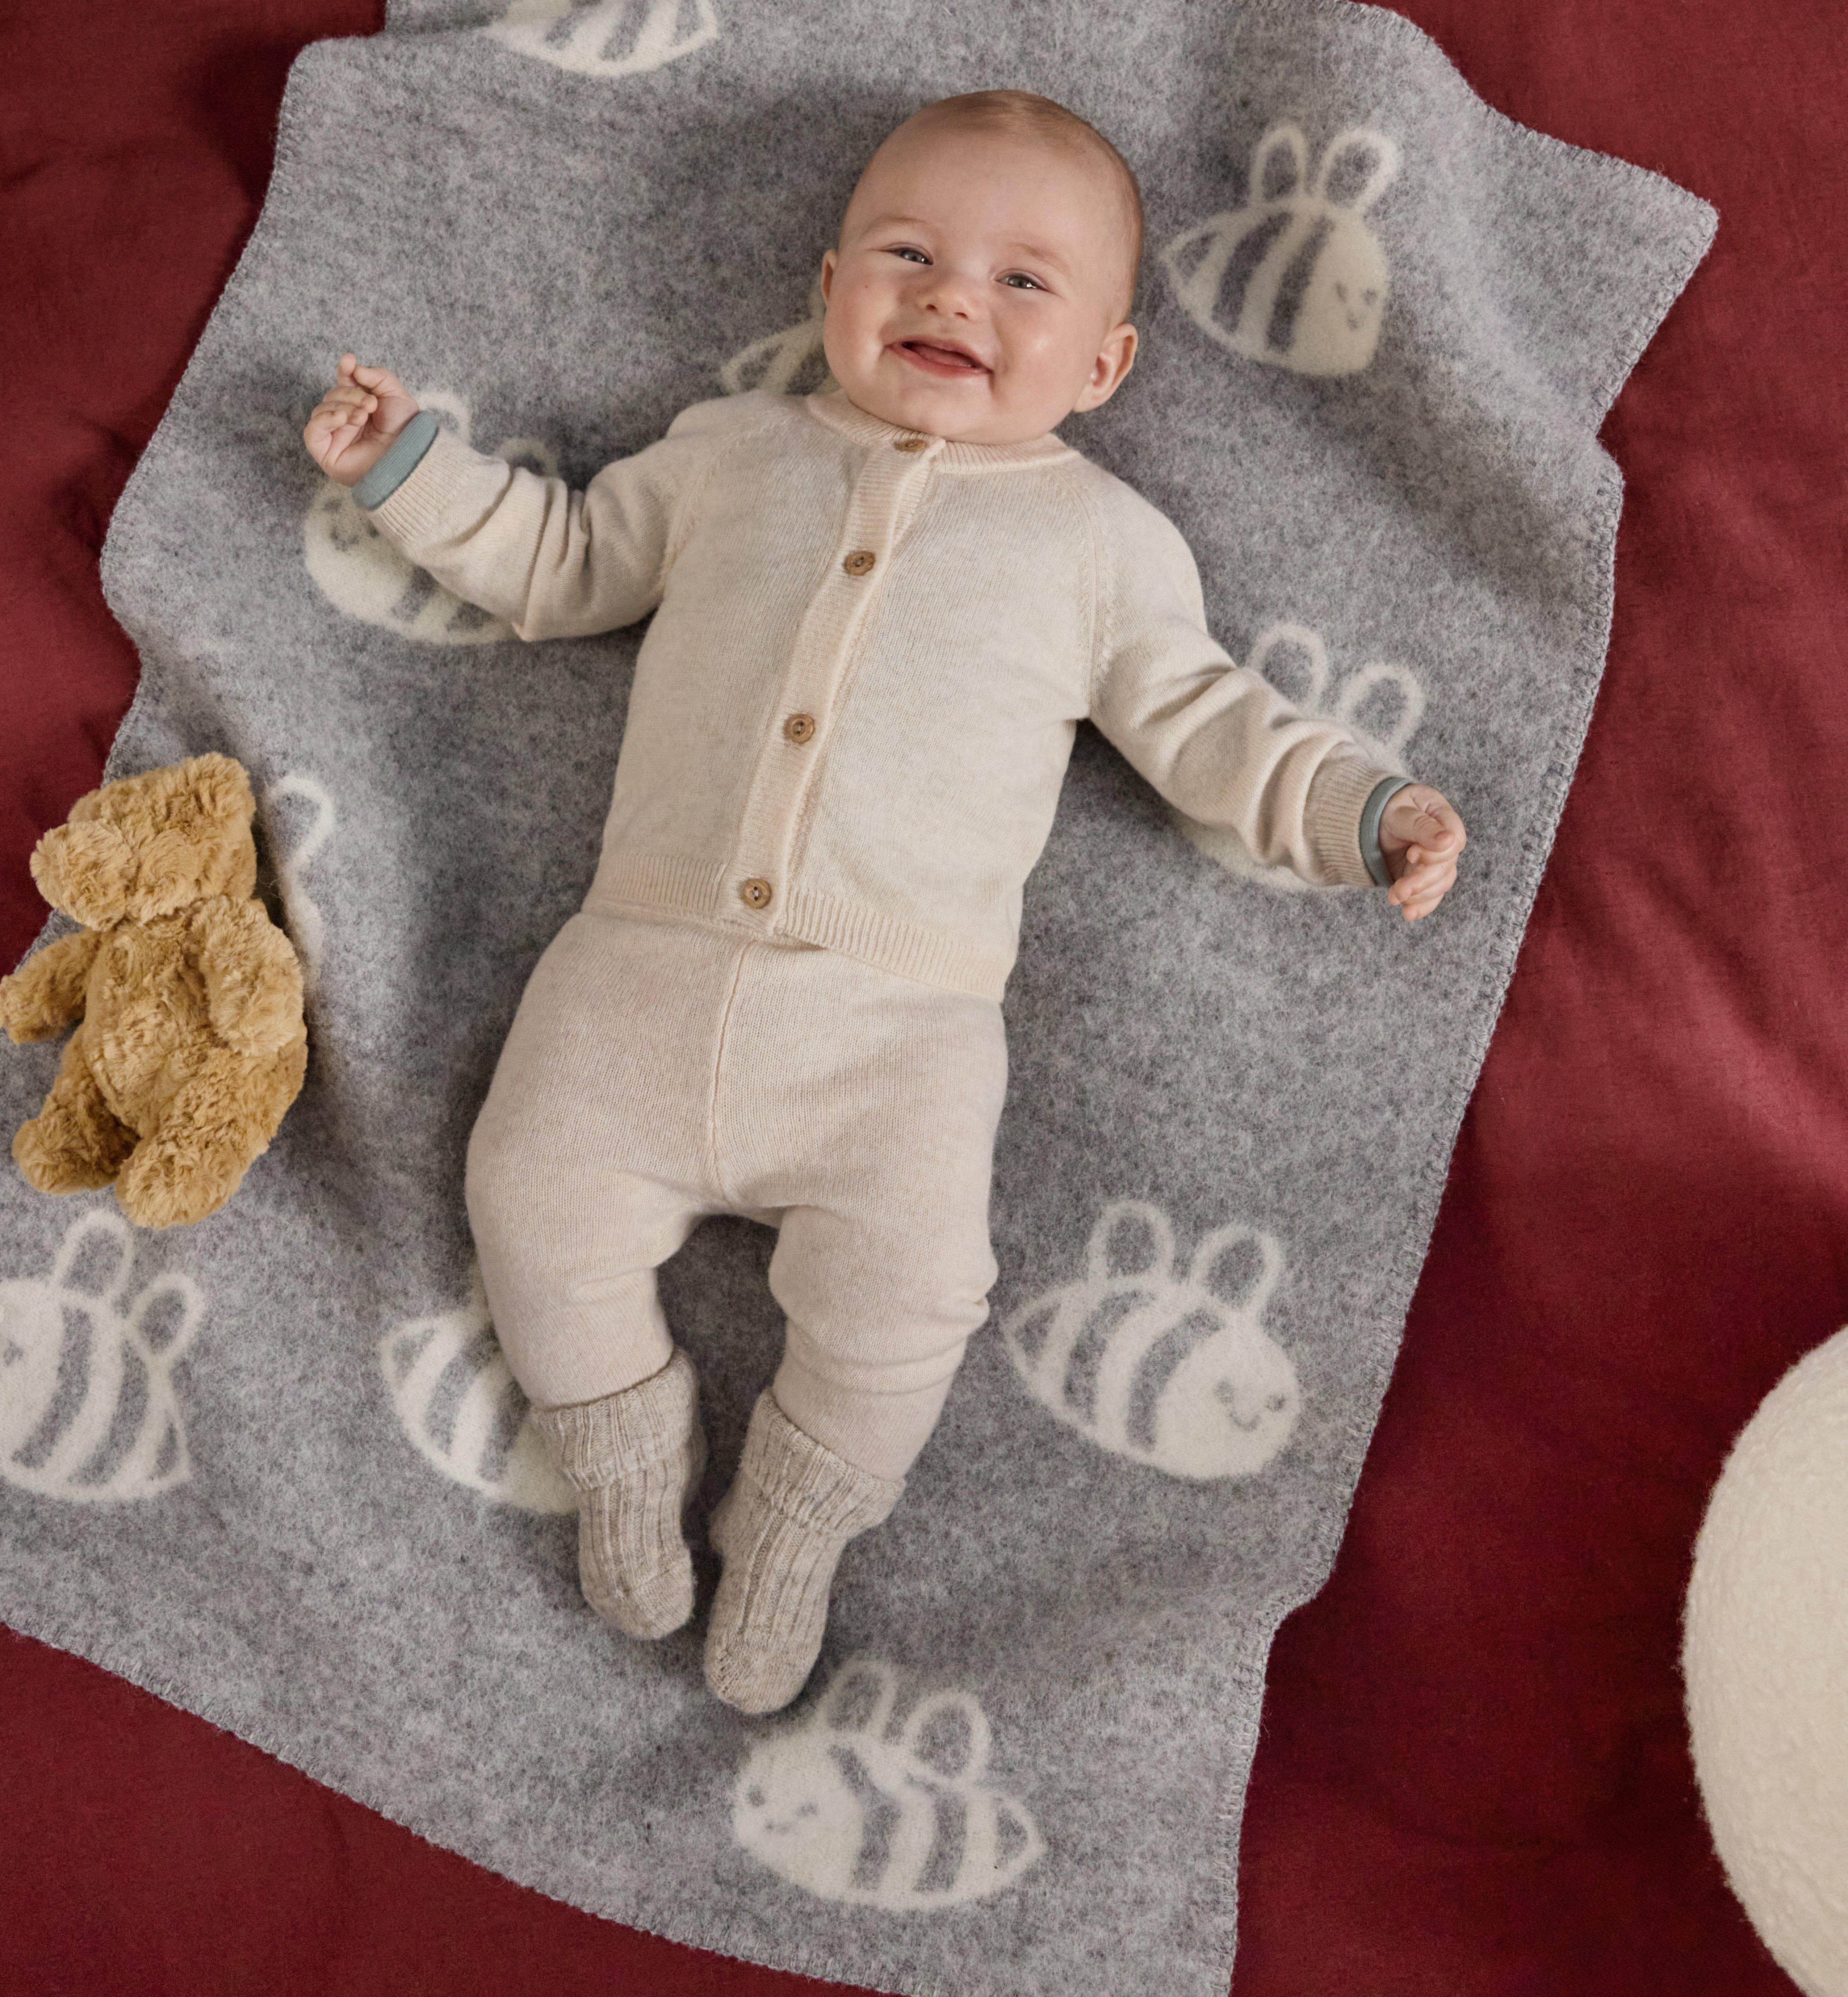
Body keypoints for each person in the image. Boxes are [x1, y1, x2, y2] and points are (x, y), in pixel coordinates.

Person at [301, 90, 1466, 1713]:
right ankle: (626, 1459)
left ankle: (792, 1526)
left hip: (898, 1036)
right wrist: (414, 471)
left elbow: (1216, 728)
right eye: (908, 255)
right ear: (829, 281)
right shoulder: (728, 456)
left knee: (911, 1299)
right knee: (528, 1192)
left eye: (1021, 282)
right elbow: (564, 564)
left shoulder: (1101, 546)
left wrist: (1368, 808)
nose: (950, 298)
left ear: (1106, 368)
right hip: (634, 966)